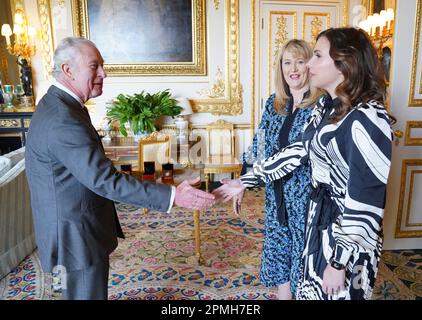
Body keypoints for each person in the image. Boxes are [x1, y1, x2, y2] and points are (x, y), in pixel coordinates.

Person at [25, 37, 215, 300]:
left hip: (67, 229)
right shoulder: (63, 119)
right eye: (95, 66)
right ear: (68, 70)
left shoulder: (59, 105)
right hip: (74, 236)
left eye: (102, 65)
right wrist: (173, 195)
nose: (104, 73)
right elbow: (104, 180)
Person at [213, 27, 393, 300]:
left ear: (345, 62)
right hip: (318, 223)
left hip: (345, 236)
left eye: (317, 56)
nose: (308, 64)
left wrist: (338, 262)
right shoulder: (328, 108)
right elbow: (296, 151)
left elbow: (365, 204)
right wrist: (244, 181)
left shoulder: (368, 118)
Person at [236, 39, 321, 299]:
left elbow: (301, 153)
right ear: (280, 68)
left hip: (307, 200)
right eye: (287, 62)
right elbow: (260, 143)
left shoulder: (321, 104)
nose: (293, 68)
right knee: (281, 257)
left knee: (304, 265)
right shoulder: (275, 103)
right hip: (277, 197)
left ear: (310, 65)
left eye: (299, 61)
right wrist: (244, 181)